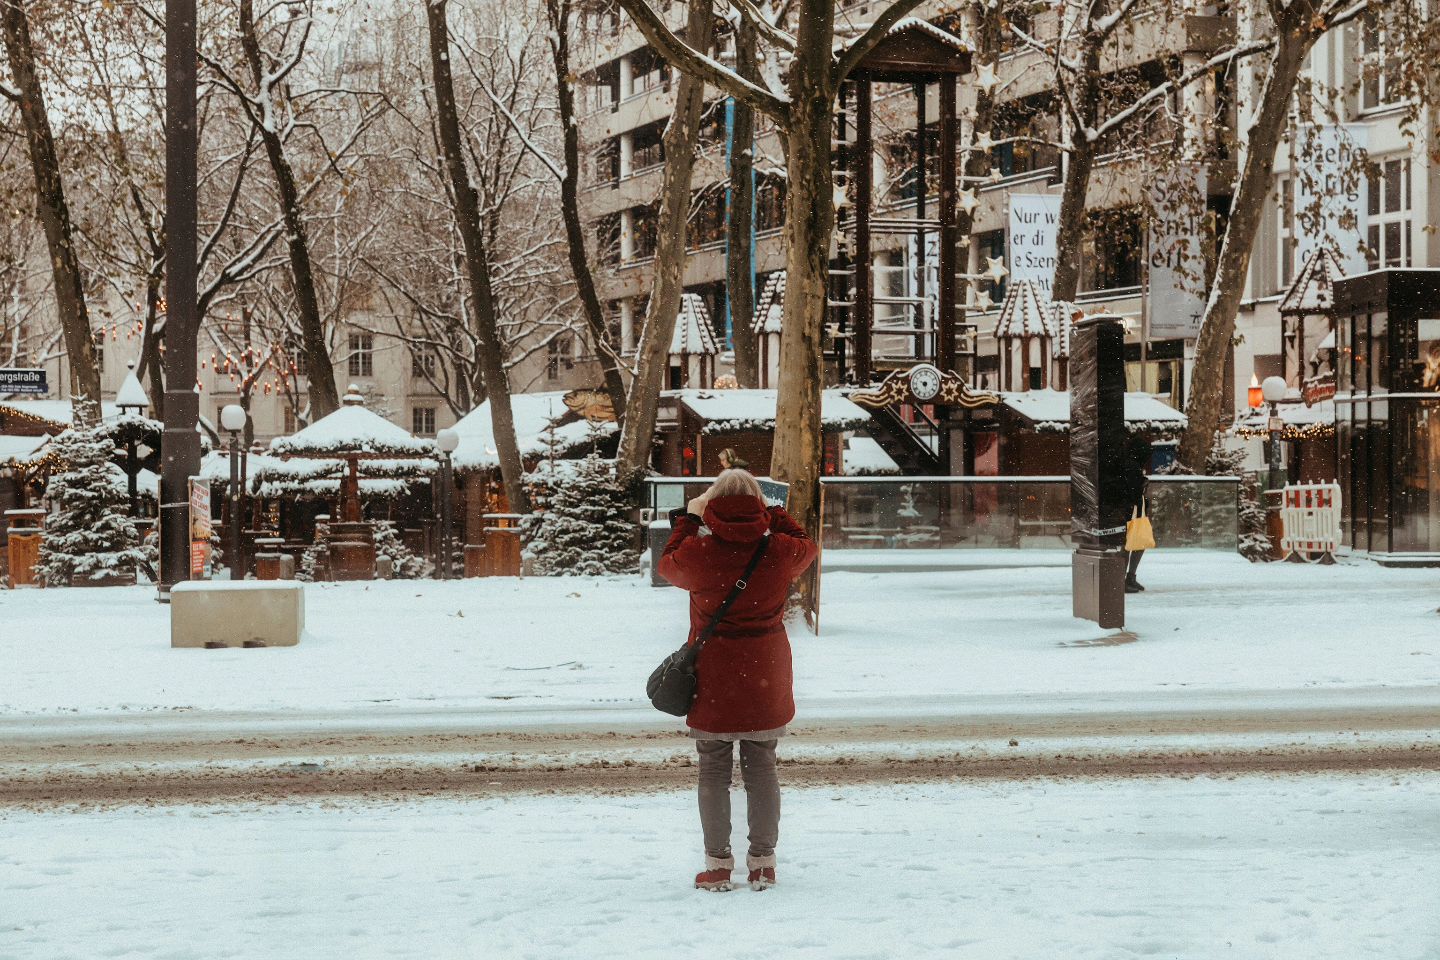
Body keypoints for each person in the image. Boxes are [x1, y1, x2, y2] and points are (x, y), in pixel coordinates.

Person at [658, 468, 819, 893]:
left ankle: (716, 866)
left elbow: (667, 564)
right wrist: (777, 514)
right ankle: (763, 863)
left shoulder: (700, 551)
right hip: (764, 670)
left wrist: (688, 520)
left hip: (713, 672)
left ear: (712, 504)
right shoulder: (780, 550)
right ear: (759, 504)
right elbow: (808, 545)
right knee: (762, 767)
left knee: (712, 768)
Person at [1123, 435, 1152, 593]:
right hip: (1134, 512)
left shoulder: (1127, 464)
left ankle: (1128, 578)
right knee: (1136, 543)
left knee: (1133, 544)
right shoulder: (1133, 467)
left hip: (1132, 511)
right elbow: (1134, 491)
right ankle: (1128, 578)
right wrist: (1143, 483)